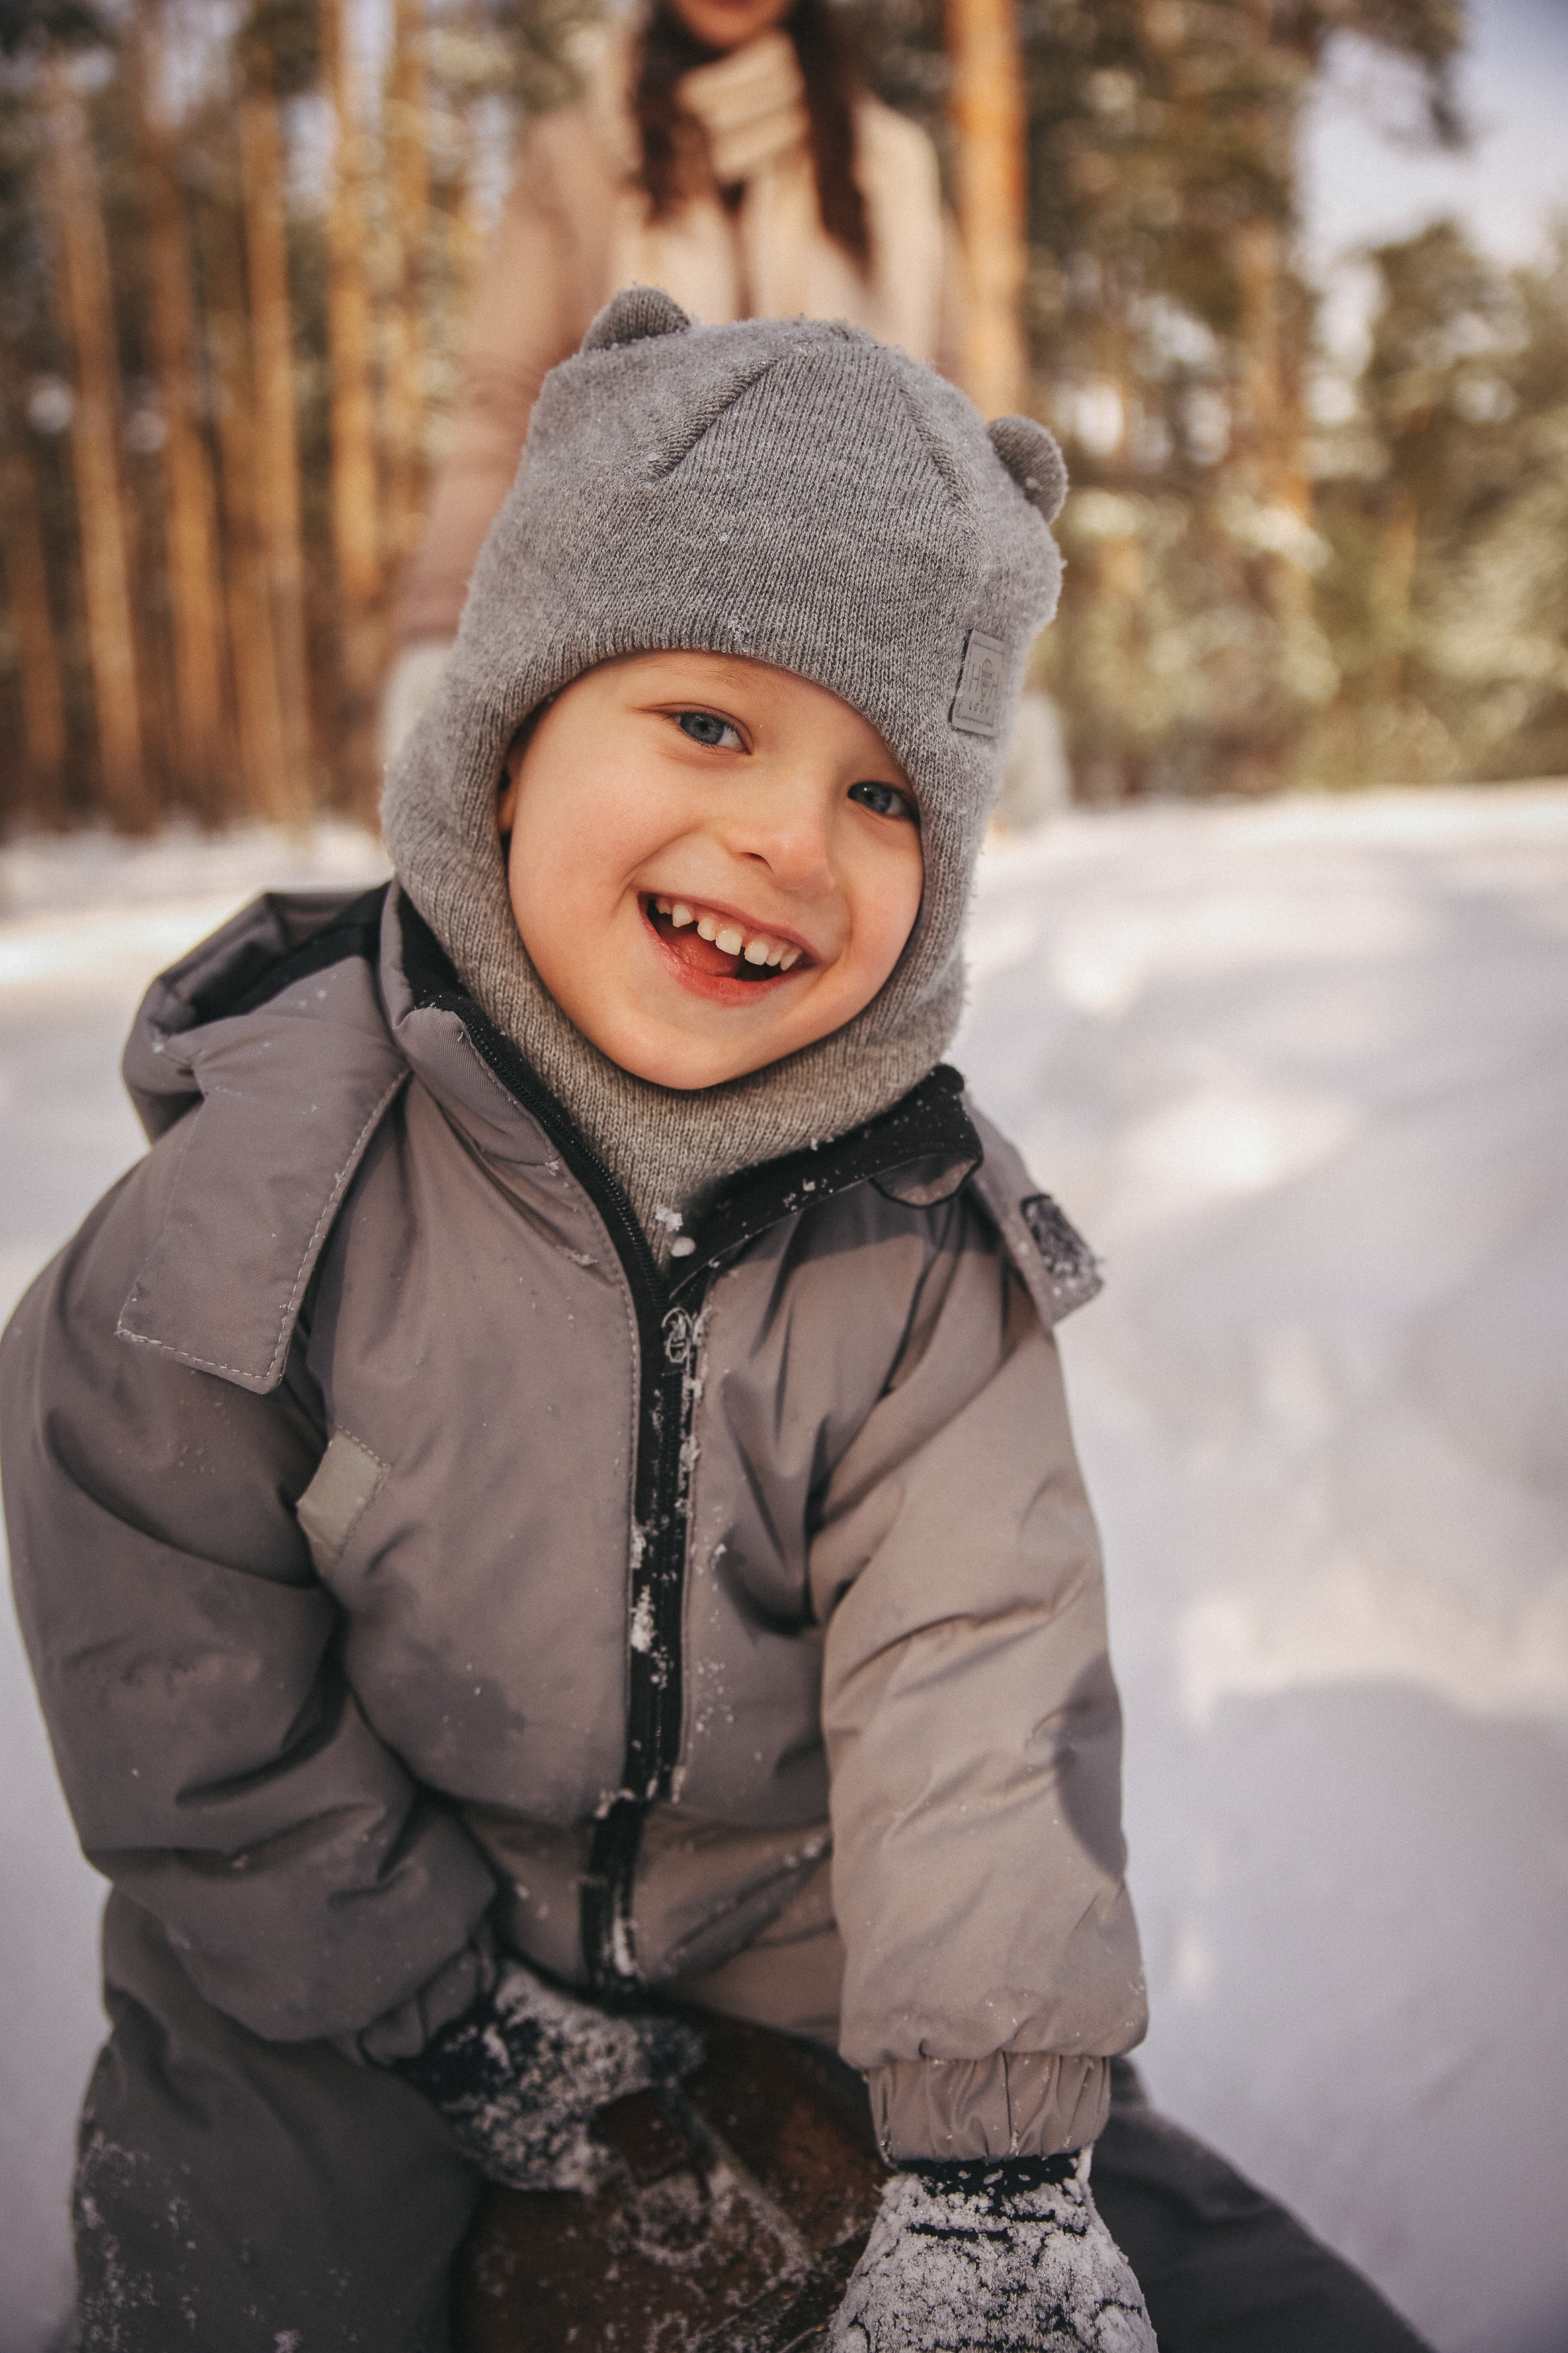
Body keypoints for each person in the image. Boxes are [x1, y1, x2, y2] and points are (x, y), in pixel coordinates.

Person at [2, 294, 1432, 2353]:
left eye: (885, 793)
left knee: (1189, 2287)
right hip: (357, 1944)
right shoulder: (263, 1193)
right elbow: (169, 1667)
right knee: (245, 2257)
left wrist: (997, 2156)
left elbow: (979, 1704)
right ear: (506, 744)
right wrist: (425, 1991)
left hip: (799, 1928)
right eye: (708, 722)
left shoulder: (916, 1253)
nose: (789, 836)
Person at [382, 0, 962, 762]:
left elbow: (956, 437)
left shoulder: (894, 170)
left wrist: (995, 672)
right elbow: (504, 410)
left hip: (852, 677)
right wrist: (440, 629)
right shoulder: (577, 159)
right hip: (623, 660)